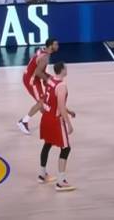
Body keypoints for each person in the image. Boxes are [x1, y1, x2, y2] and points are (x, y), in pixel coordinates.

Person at [38, 61, 76, 192]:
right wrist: (69, 124)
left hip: (46, 117)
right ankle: (61, 182)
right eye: (66, 67)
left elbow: (51, 100)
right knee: (66, 148)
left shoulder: (50, 81)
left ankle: (42, 175)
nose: (67, 68)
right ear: (62, 70)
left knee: (47, 144)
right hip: (56, 120)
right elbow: (60, 106)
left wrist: (69, 111)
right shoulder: (62, 86)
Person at [18, 39, 59, 134]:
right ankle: (23, 122)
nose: (58, 46)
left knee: (43, 102)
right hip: (31, 80)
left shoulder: (42, 50)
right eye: (56, 45)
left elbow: (37, 68)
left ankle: (49, 123)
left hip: (31, 77)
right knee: (42, 102)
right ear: (50, 46)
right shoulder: (45, 57)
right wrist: (48, 80)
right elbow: (38, 72)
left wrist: (48, 77)